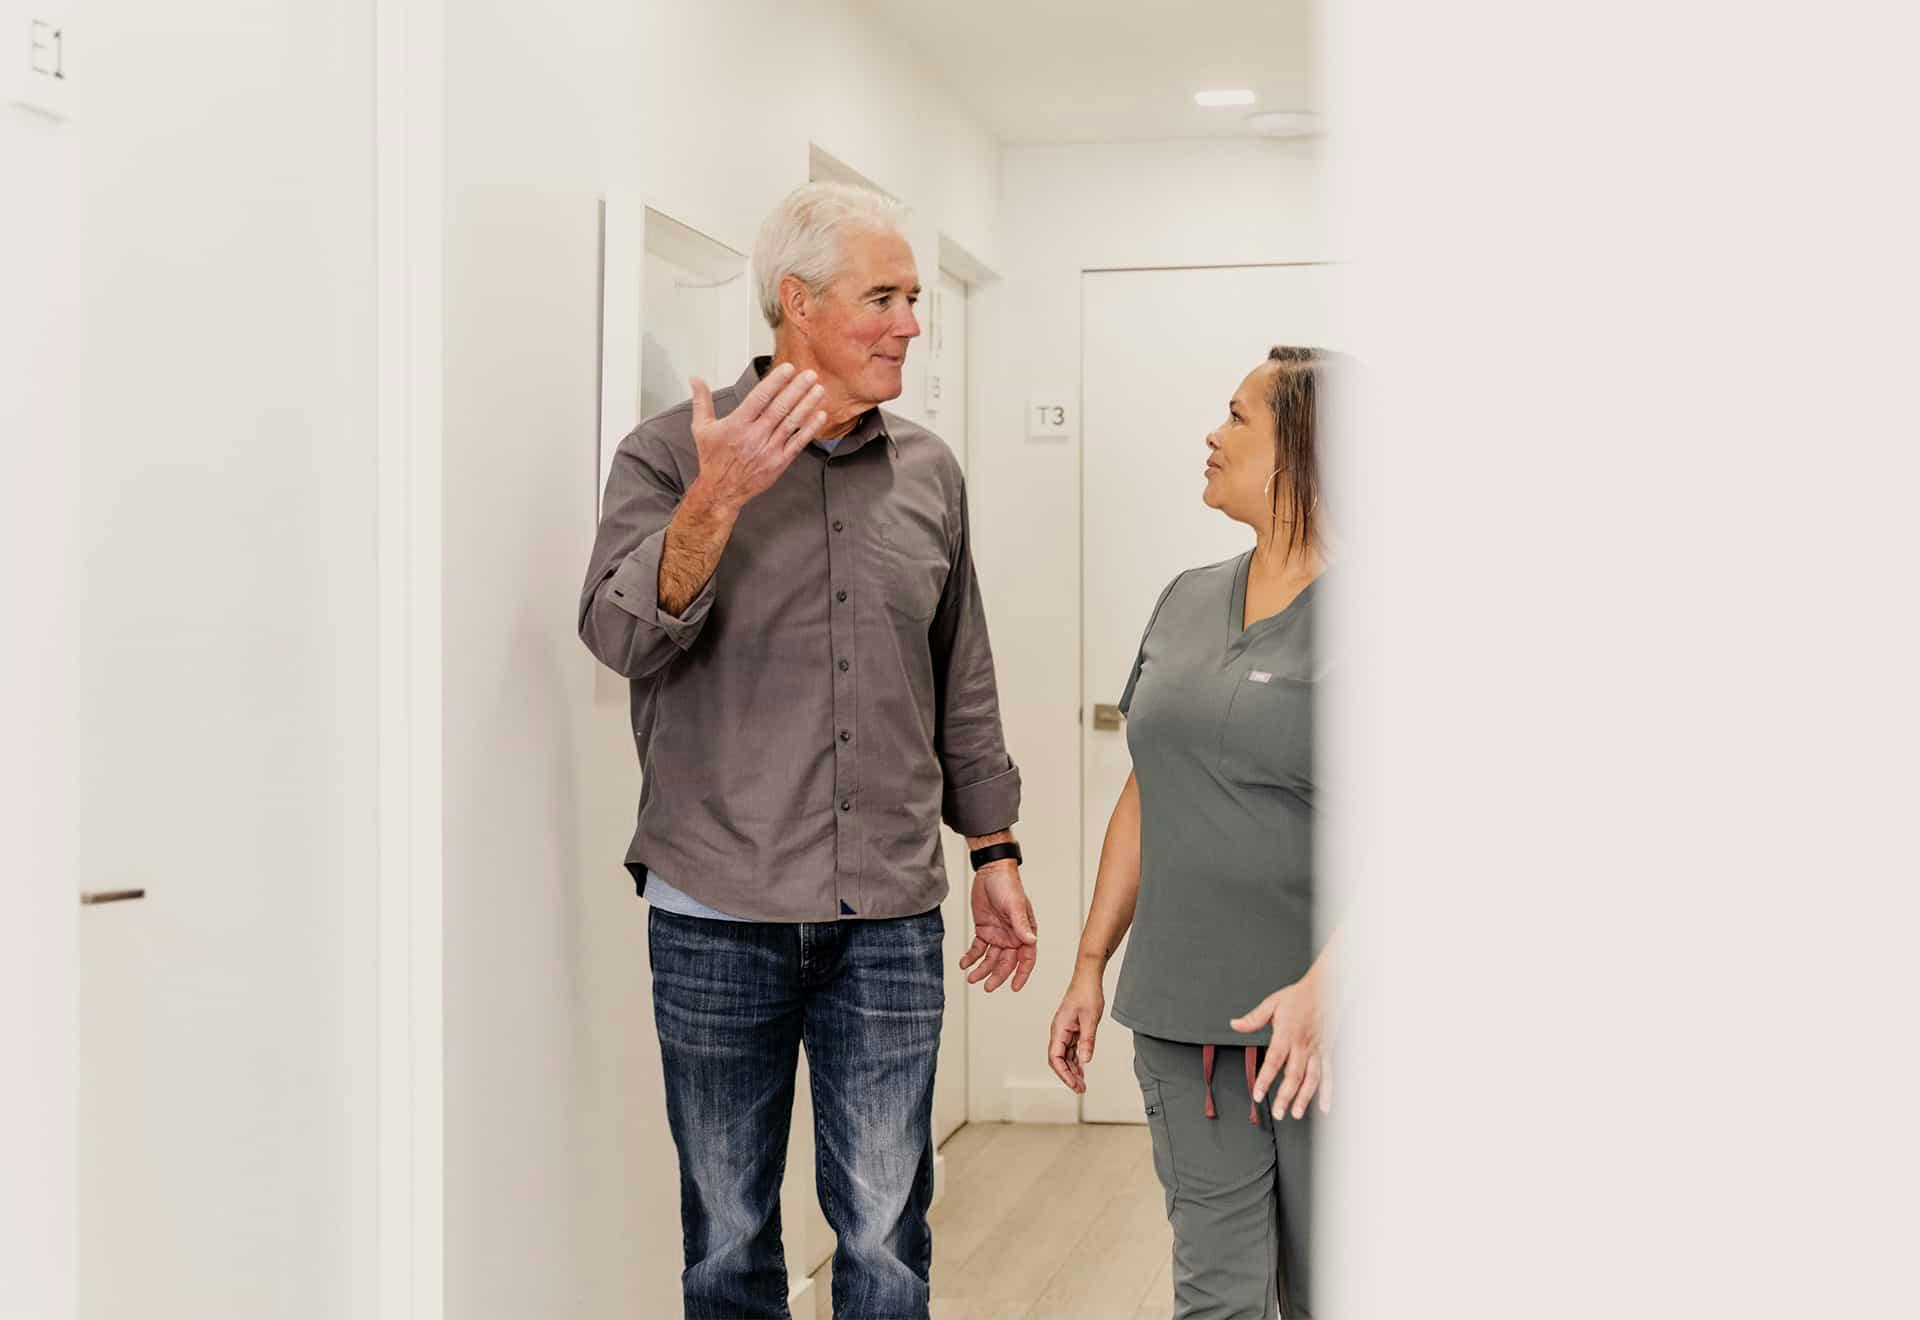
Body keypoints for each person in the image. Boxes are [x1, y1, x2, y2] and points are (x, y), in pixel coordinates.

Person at [579, 182, 1039, 1320]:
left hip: (886, 915)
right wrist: (720, 496)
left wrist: (996, 851)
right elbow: (619, 634)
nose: (910, 323)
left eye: (914, 298)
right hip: (715, 912)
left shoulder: (929, 472)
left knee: (885, 1235)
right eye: (882, 297)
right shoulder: (666, 456)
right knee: (728, 1233)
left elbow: (961, 677)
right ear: (796, 302)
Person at [1048, 346, 1335, 1319]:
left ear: (1303, 448)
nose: (1212, 436)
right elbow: (1150, 786)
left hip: (1332, 1037)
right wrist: (1092, 958)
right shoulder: (1183, 598)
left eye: (1238, 417)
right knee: (1218, 1302)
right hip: (1187, 1032)